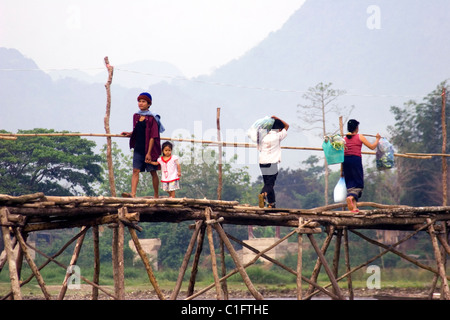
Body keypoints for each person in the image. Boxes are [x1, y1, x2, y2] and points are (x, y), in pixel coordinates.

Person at [121, 92, 164, 198]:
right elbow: (138, 130)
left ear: (149, 104)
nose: (141, 103)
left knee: (153, 171)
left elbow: (152, 136)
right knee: (135, 170)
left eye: (143, 101)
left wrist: (149, 153)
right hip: (138, 147)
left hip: (150, 149)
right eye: (139, 101)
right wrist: (130, 133)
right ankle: (133, 194)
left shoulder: (152, 118)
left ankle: (156, 195)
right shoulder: (136, 116)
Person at [343, 119, 381, 212]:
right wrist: (377, 139)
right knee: (358, 183)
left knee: (350, 182)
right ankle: (351, 197)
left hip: (345, 161)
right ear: (356, 128)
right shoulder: (360, 137)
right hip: (355, 160)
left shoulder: (344, 139)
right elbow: (372, 147)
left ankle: (354, 207)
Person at [258, 116, 289, 208]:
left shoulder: (263, 136)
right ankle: (262, 195)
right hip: (272, 162)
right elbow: (287, 126)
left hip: (262, 162)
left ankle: (271, 203)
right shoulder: (278, 136)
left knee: (268, 184)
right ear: (279, 129)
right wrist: (276, 117)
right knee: (270, 184)